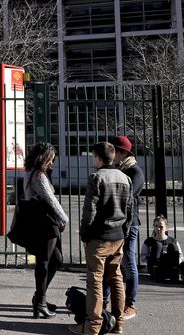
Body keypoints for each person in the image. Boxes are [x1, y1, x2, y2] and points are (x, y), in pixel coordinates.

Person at [69, 142, 133, 335]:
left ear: (97, 157)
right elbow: (130, 210)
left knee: (95, 281)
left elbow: (89, 211)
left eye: (93, 156)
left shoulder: (96, 177)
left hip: (99, 237)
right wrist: (125, 232)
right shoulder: (125, 178)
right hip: (118, 236)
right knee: (116, 278)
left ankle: (93, 326)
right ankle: (119, 322)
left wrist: (84, 234)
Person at [22, 143, 69, 319]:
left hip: (43, 223)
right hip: (44, 223)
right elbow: (51, 201)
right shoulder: (38, 176)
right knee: (44, 261)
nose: (53, 161)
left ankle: (39, 297)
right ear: (44, 157)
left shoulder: (32, 173)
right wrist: (64, 218)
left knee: (56, 259)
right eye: (51, 158)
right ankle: (40, 303)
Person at [102, 136, 144, 320]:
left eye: (115, 150)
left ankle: (131, 304)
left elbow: (126, 196)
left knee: (128, 263)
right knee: (110, 262)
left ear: (123, 153)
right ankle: (104, 300)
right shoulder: (119, 169)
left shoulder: (135, 172)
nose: (113, 155)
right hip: (117, 222)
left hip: (129, 223)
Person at [140, 215, 183, 282]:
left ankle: (174, 274)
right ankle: (156, 274)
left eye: (161, 227)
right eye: (156, 226)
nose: (158, 229)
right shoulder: (149, 241)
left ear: (166, 228)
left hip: (170, 266)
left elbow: (180, 255)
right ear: (154, 227)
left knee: (172, 246)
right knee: (158, 245)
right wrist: (150, 260)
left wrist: (175, 262)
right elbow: (143, 257)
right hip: (156, 268)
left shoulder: (172, 240)